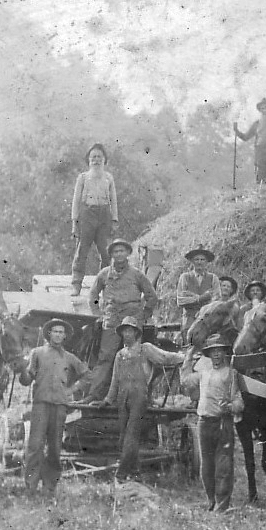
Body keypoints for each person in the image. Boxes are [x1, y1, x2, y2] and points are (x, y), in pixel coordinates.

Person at [102, 316, 184, 481]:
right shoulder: (120, 355)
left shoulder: (145, 349)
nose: (127, 334)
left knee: (132, 434)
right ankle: (134, 471)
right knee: (124, 434)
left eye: (130, 331)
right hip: (122, 398)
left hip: (139, 397)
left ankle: (122, 472)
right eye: (124, 331)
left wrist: (184, 357)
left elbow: (166, 357)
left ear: (136, 333)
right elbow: (115, 381)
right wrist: (107, 400)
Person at [19, 318, 88, 495]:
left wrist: (71, 389)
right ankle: (31, 486)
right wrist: (22, 370)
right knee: (35, 446)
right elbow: (26, 380)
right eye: (54, 331)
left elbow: (87, 376)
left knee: (55, 447)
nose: (57, 335)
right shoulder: (37, 353)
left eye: (61, 332)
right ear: (49, 333)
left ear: (65, 336)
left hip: (59, 406)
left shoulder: (69, 357)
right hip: (40, 404)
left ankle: (50, 487)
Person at [86, 239, 158, 402]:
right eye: (115, 251)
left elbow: (151, 296)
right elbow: (93, 297)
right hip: (111, 318)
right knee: (105, 357)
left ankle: (141, 396)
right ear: (111, 254)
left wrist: (143, 315)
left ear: (127, 253)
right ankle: (94, 394)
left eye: (122, 251)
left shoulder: (137, 274)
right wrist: (98, 314)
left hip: (132, 319)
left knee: (135, 356)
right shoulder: (104, 274)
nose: (119, 254)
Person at [193, 334, 244, 512]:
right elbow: (185, 382)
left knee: (223, 466)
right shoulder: (203, 373)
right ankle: (211, 500)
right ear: (209, 354)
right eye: (213, 351)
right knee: (206, 465)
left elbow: (239, 403)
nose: (216, 354)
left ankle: (222, 505)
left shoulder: (231, 373)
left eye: (219, 350)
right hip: (203, 422)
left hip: (222, 423)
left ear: (224, 353)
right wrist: (187, 355)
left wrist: (229, 406)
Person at [70, 143, 119, 297]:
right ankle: (76, 284)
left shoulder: (109, 178)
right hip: (87, 214)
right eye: (93, 157)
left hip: (104, 214)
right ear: (89, 160)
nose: (96, 160)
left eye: (99, 157)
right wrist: (74, 221)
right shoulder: (83, 177)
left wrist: (114, 219)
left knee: (105, 252)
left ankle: (103, 286)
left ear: (104, 160)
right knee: (82, 250)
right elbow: (76, 200)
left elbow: (113, 200)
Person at [176, 247, 220, 341]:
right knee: (189, 345)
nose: (199, 262)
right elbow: (180, 300)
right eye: (196, 259)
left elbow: (216, 300)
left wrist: (191, 296)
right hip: (189, 319)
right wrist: (200, 298)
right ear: (192, 261)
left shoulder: (213, 278)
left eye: (202, 259)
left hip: (207, 320)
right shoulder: (185, 277)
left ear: (207, 262)